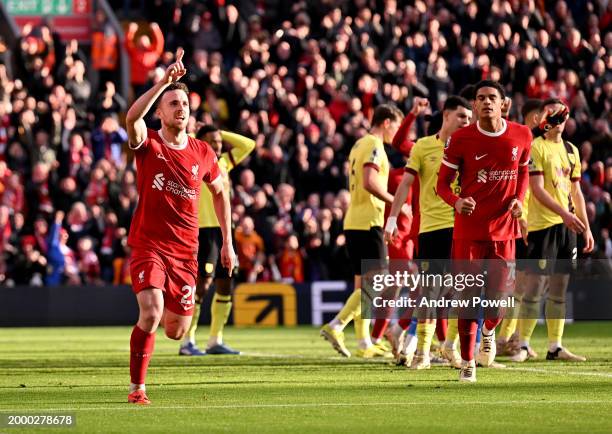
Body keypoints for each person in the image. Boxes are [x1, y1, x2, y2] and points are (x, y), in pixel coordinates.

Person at [125, 48, 236, 405]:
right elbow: (131, 118)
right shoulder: (149, 143)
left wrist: (228, 243)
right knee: (151, 311)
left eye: (184, 104)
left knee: (176, 331)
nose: (181, 109)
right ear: (160, 111)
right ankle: (138, 389)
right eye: (173, 103)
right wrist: (163, 83)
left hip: (186, 253)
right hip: (149, 245)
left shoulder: (203, 151)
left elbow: (221, 193)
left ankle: (157, 349)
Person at [436, 80, 532, 382]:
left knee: (501, 300)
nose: (486, 102)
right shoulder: (461, 139)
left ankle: (489, 331)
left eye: (492, 97)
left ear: (503, 103)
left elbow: (524, 172)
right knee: (467, 299)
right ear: (474, 105)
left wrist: (519, 200)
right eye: (480, 98)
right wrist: (456, 200)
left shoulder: (522, 134)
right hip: (468, 233)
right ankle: (467, 362)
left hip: (505, 231)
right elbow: (441, 184)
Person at [385, 95, 472, 369]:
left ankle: (450, 348)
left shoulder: (471, 148)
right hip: (432, 229)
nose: (467, 122)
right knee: (430, 292)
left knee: (460, 291)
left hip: (463, 228)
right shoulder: (423, 147)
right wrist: (392, 218)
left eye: (470, 119)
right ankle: (422, 352)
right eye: (462, 117)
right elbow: (405, 182)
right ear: (446, 116)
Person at [512, 98, 594, 363]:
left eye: (563, 115)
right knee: (535, 287)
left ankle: (554, 347)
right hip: (542, 226)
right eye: (554, 115)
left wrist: (586, 228)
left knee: (559, 288)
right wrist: (565, 214)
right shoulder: (536, 148)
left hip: (566, 227)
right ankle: (522, 344)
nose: (560, 121)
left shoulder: (571, 150)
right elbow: (536, 189)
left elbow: (576, 191)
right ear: (544, 119)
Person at [319, 104, 404, 358]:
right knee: (379, 281)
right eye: (396, 127)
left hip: (354, 221)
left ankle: (364, 342)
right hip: (369, 221)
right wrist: (394, 202)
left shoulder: (358, 145)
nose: (396, 134)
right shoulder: (374, 146)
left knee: (363, 284)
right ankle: (336, 325)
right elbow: (369, 181)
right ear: (387, 122)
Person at [179, 124, 255, 356]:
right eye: (212, 142)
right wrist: (196, 137)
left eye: (219, 142)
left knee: (226, 285)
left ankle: (215, 340)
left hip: (225, 232)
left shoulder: (223, 163)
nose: (217, 145)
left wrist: (220, 133)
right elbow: (182, 139)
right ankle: (187, 342)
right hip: (204, 231)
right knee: (202, 285)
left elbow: (248, 145)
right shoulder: (193, 159)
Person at [497, 98, 543, 356]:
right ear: (535, 118)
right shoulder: (517, 140)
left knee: (522, 286)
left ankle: (513, 338)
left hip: (531, 222)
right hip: (514, 221)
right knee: (511, 285)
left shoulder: (535, 143)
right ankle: (503, 338)